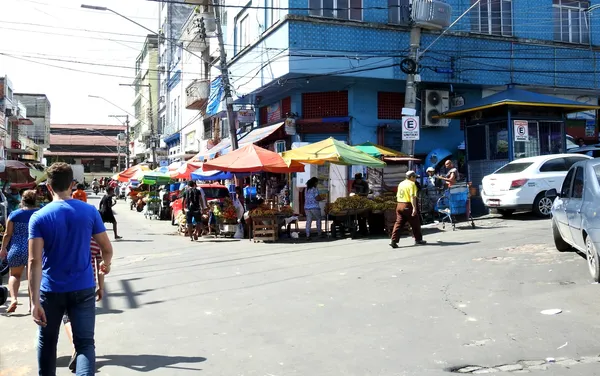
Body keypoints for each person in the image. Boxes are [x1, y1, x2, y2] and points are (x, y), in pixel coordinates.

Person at [28, 162, 114, 376]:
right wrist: (106, 264)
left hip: (50, 290)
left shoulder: (38, 217)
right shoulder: (89, 212)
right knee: (85, 344)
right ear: (72, 185)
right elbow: (106, 248)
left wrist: (34, 301)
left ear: (48, 187)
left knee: (47, 342)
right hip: (83, 288)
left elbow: (34, 262)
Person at [63, 238, 104, 373]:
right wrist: (101, 287)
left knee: (67, 317)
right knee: (85, 331)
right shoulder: (96, 239)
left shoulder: (69, 234)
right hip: (87, 284)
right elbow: (101, 264)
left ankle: (75, 346)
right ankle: (81, 349)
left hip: (63, 283)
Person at [0, 190, 39, 314]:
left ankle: (14, 299)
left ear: (22, 200)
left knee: (14, 275)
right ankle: (32, 304)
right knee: (32, 278)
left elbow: (7, 234)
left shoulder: (14, 214)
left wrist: (3, 248)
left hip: (16, 248)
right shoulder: (39, 213)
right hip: (34, 248)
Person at [390, 170, 427, 248]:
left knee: (398, 223)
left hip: (399, 204)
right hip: (407, 205)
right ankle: (418, 239)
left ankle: (393, 240)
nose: (415, 179)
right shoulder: (412, 184)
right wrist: (414, 208)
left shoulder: (401, 183)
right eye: (414, 177)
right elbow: (412, 197)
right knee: (415, 223)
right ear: (411, 177)